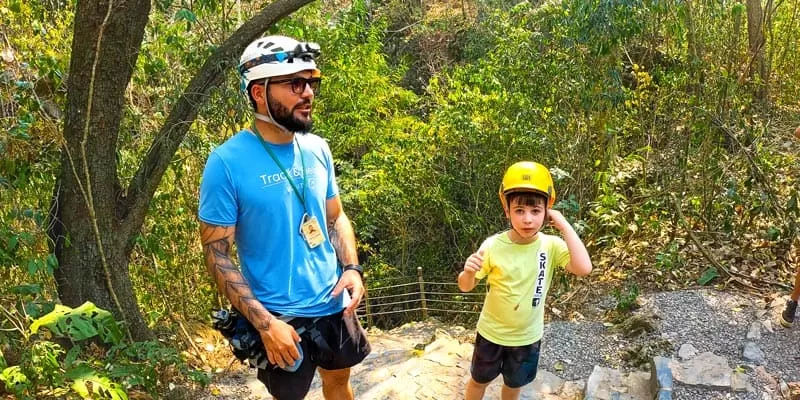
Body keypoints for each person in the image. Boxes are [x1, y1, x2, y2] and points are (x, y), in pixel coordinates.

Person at [198, 35, 370, 400]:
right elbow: (217, 253)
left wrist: (352, 268)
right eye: (295, 84)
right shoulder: (226, 162)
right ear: (258, 92)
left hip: (333, 304)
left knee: (339, 382)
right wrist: (264, 324)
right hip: (278, 317)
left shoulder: (317, 147)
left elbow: (336, 217)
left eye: (311, 83)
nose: (307, 93)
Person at [457, 161, 592, 400]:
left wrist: (563, 225)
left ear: (547, 212)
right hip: (491, 333)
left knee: (513, 385)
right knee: (479, 381)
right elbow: (465, 287)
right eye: (519, 210)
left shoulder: (550, 245)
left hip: (527, 337)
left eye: (535, 211)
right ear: (507, 210)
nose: (527, 219)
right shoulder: (492, 245)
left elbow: (583, 268)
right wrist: (468, 272)